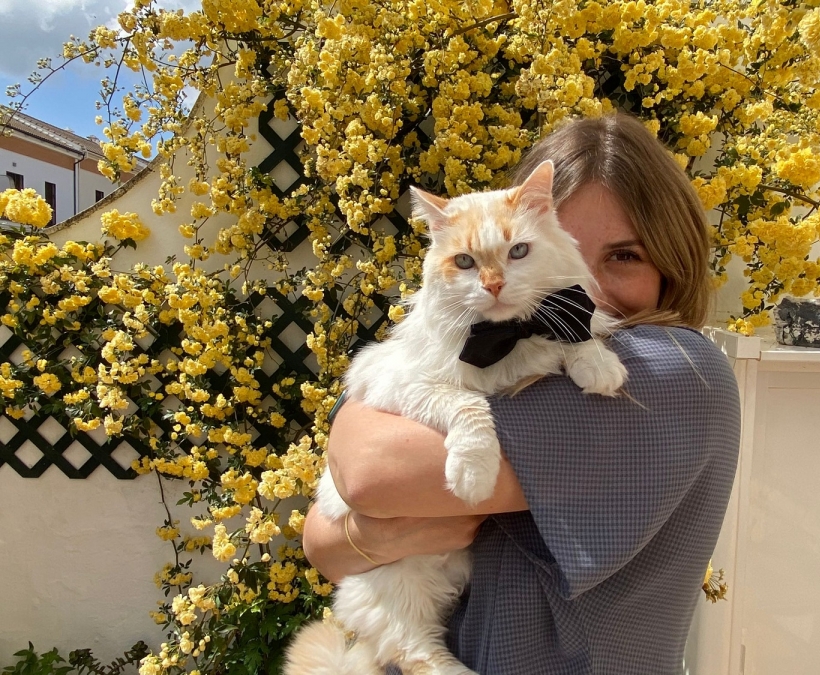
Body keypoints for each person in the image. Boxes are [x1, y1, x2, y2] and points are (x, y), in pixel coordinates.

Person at [301, 113, 741, 674]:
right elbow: (321, 541)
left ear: (671, 261)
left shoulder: (674, 370)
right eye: (570, 246)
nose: (588, 284)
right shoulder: (494, 345)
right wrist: (365, 534)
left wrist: (369, 516)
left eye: (624, 256)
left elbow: (366, 467)